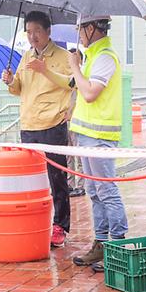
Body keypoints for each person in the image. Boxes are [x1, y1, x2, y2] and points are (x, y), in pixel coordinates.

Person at [1, 11, 72, 248]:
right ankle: (35, 221)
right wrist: (11, 81)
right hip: (28, 125)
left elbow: (73, 84)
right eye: (29, 32)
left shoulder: (63, 56)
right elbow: (19, 88)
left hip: (53, 124)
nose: (32, 36)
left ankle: (60, 225)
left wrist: (45, 70)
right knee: (31, 180)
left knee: (57, 179)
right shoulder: (25, 57)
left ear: (48, 31)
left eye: (37, 31)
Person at [68, 16, 129, 272]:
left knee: (106, 190)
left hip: (99, 135)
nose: (78, 33)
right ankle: (101, 243)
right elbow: (76, 86)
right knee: (93, 191)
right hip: (86, 133)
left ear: (92, 28)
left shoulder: (104, 56)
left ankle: (118, 248)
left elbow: (90, 93)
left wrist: (74, 67)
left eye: (80, 28)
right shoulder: (92, 55)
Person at [66, 49, 85, 197]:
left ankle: (81, 185)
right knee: (68, 154)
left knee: (79, 155)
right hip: (66, 121)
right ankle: (69, 184)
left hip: (79, 122)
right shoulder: (67, 78)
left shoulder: (83, 77)